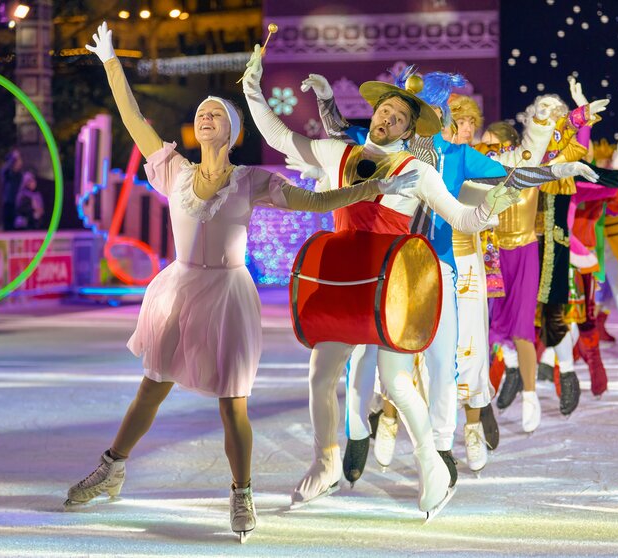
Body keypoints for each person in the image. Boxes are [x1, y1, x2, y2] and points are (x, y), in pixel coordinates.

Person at [65, 23, 418, 543]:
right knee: (151, 387)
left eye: (216, 113)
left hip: (228, 297)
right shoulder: (174, 171)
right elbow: (133, 117)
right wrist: (112, 63)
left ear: (231, 131)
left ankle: (241, 491)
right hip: (178, 292)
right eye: (200, 113)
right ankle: (112, 467)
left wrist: (369, 189)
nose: (205, 117)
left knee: (232, 403)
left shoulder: (252, 180)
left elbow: (315, 202)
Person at [242, 46, 522, 519]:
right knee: (320, 375)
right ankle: (326, 463)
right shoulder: (338, 152)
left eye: (398, 118)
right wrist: (252, 88)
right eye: (384, 111)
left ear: (409, 132)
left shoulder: (418, 170)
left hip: (391, 287)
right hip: (341, 281)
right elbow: (281, 136)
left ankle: (432, 467)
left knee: (395, 380)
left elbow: (464, 218)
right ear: (373, 113)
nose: (387, 119)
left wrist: (498, 200)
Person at [1, 148, 23, 231]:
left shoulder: (19, 175)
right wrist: (13, 158)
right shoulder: (7, 174)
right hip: (9, 203)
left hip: (18, 204)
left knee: (17, 227)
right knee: (8, 225)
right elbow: (4, 170)